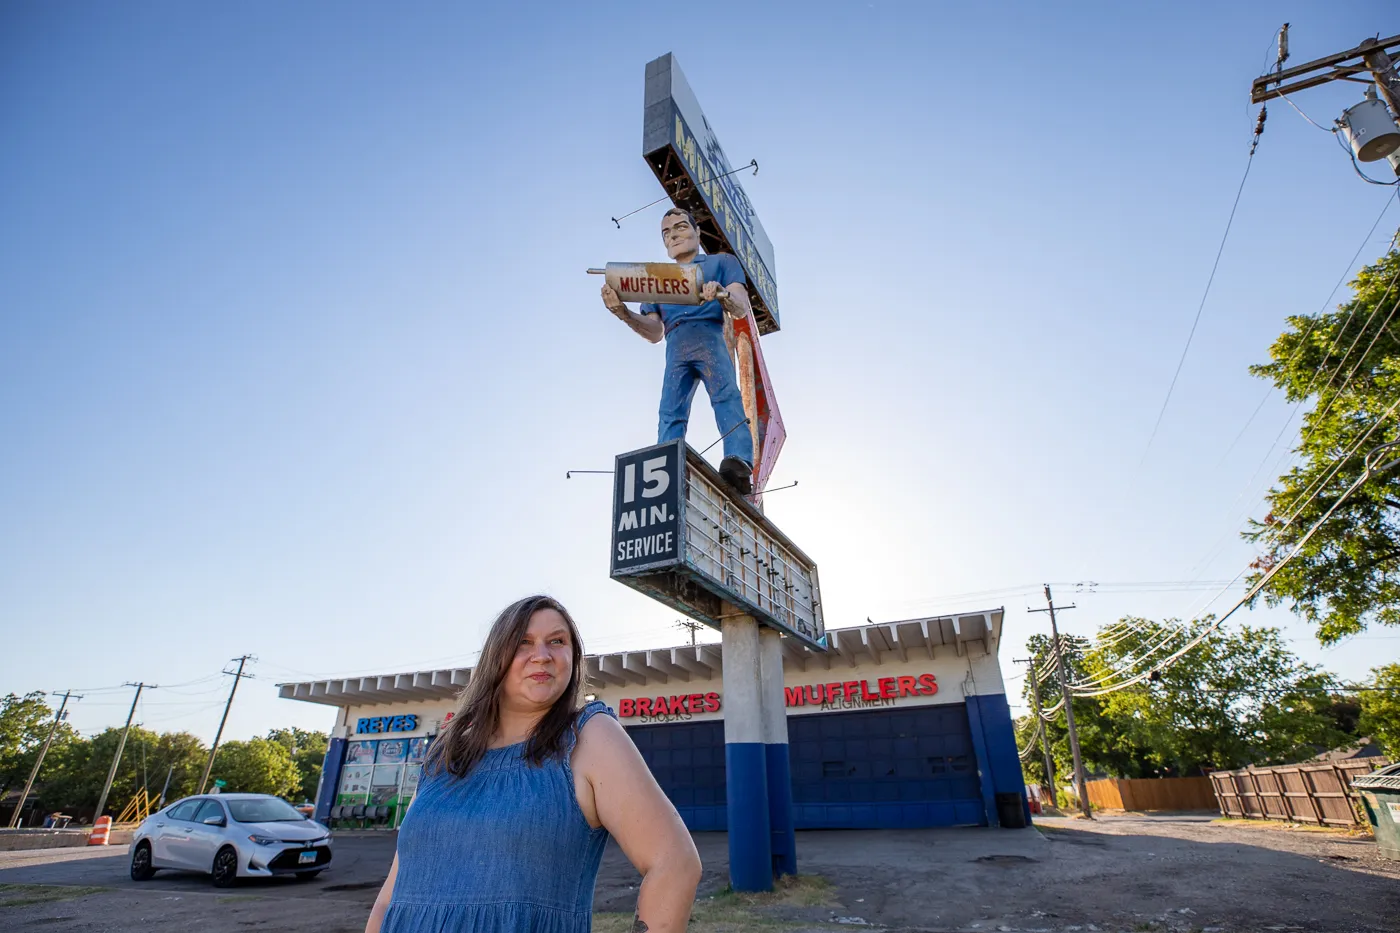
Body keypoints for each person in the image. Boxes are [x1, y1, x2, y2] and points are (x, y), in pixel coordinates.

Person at [365, 595, 701, 933]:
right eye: (523, 642)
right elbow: (390, 895)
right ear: (496, 656)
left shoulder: (589, 737)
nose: (542, 655)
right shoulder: (445, 754)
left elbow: (674, 864)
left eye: (557, 641)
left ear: (573, 658)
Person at [601, 208, 756, 495]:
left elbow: (739, 305)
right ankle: (664, 464)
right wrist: (622, 312)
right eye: (666, 232)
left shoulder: (721, 263)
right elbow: (655, 331)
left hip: (709, 335)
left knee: (726, 396)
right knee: (670, 410)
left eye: (681, 227)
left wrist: (721, 294)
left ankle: (739, 458)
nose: (673, 235)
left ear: (697, 232)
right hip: (675, 344)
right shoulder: (656, 279)